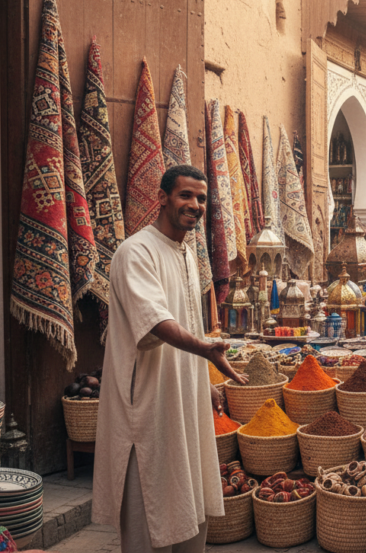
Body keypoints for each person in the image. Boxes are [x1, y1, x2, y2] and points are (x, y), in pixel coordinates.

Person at [93, 165, 248, 552]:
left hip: (184, 397)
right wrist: (207, 351)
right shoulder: (136, 252)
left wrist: (205, 380)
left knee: (188, 495)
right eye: (185, 196)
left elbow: (188, 320)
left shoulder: (187, 256)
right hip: (148, 402)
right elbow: (157, 323)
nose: (194, 205)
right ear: (162, 198)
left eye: (200, 198)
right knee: (149, 503)